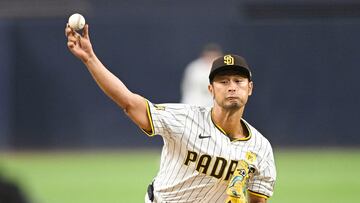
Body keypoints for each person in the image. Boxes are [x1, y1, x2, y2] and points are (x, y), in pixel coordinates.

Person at [65, 24, 276, 203]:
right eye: (223, 81)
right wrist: (90, 58)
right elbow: (129, 102)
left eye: (238, 81)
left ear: (249, 88)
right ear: (211, 89)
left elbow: (258, 200)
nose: (231, 87)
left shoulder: (261, 148)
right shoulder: (183, 118)